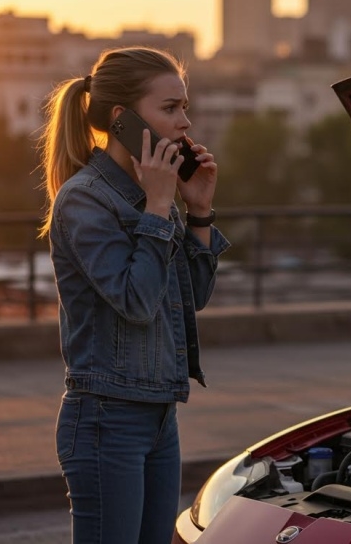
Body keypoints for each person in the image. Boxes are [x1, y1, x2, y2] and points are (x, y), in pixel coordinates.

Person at [38, 46, 228, 544]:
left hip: (159, 414)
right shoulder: (85, 199)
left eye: (185, 106)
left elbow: (192, 298)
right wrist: (160, 208)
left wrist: (199, 211)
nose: (185, 122)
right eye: (170, 108)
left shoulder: (152, 195)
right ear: (122, 119)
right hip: (107, 419)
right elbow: (136, 301)